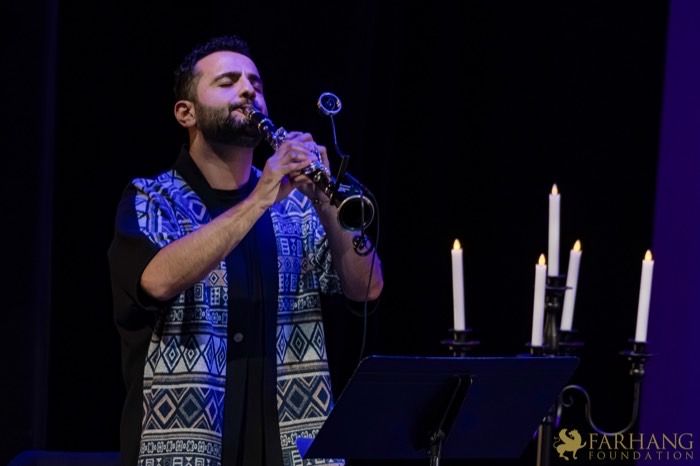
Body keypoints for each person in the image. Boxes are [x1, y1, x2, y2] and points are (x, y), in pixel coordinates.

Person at [108, 35, 383, 466]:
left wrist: (327, 204)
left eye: (255, 83)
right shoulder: (152, 198)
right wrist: (259, 198)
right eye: (227, 82)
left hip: (291, 448)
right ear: (186, 113)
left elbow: (365, 287)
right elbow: (157, 281)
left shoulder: (297, 205)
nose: (247, 90)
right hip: (187, 450)